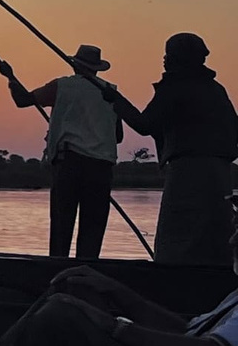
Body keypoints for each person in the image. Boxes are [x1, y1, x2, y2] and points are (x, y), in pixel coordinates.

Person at [0, 205, 238, 346]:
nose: (232, 241)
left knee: (59, 314)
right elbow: (187, 330)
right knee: (75, 286)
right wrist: (117, 292)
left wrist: (115, 327)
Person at [102, 33, 238, 266]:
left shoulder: (175, 87)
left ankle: (170, 278)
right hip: (220, 173)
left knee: (177, 235)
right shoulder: (216, 89)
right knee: (216, 233)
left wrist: (116, 100)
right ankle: (217, 281)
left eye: (169, 55)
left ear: (180, 58)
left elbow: (145, 125)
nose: (164, 60)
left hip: (187, 173)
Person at [0, 44, 122, 259]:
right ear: (97, 68)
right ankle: (87, 273)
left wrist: (10, 76)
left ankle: (56, 274)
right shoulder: (111, 92)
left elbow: (23, 100)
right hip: (101, 168)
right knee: (93, 230)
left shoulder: (61, 87)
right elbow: (117, 136)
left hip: (70, 164)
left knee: (62, 225)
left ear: (75, 65)